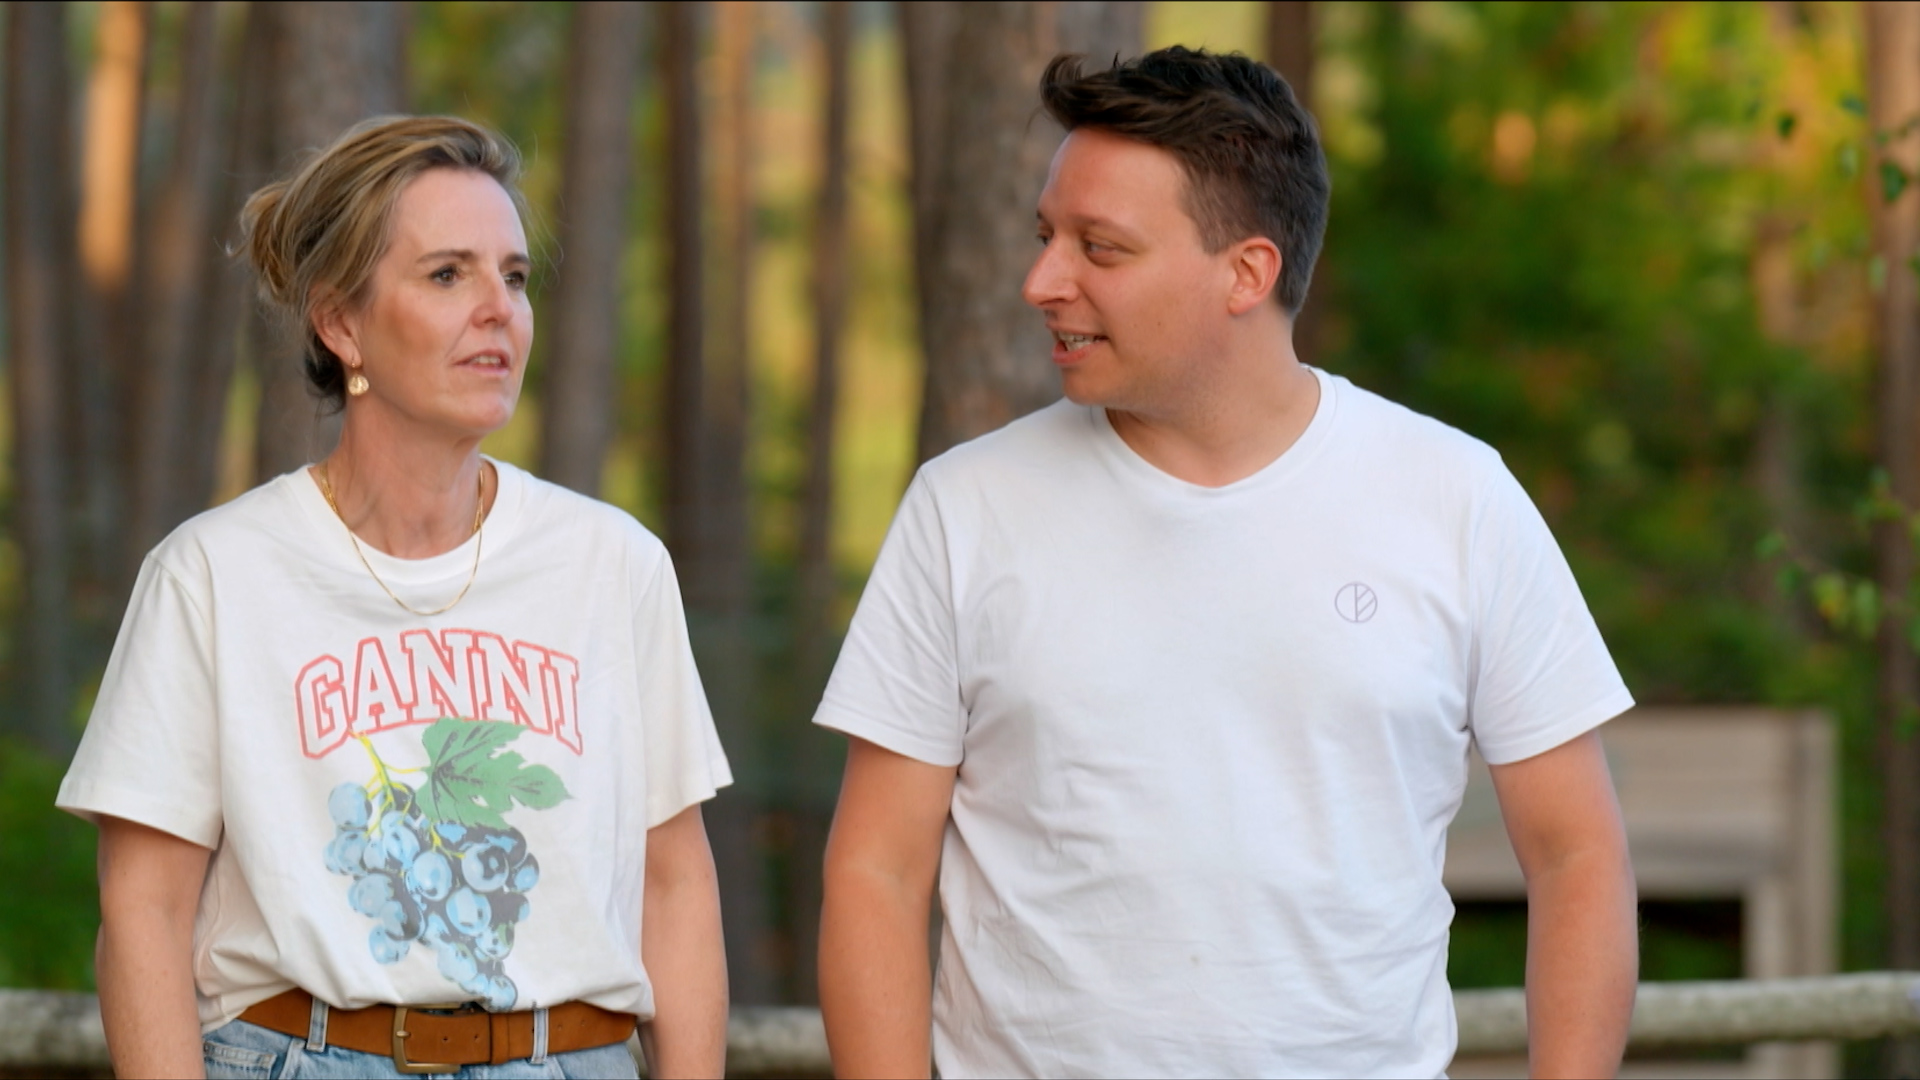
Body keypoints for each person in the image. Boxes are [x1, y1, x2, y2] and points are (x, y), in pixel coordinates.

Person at [815, 47, 1637, 1079]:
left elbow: (1577, 856)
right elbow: (876, 873)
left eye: (1099, 248)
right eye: (1045, 236)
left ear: (1247, 272)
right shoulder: (963, 507)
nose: (1042, 282)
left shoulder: (1457, 497)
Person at [56, 116, 730, 1080]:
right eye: (448, 274)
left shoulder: (614, 565)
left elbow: (675, 885)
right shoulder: (212, 576)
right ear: (341, 324)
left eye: (514, 276)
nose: (498, 309)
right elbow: (143, 910)